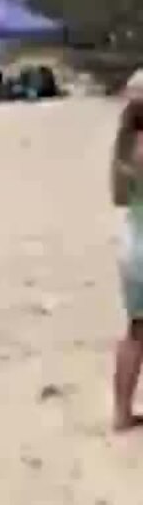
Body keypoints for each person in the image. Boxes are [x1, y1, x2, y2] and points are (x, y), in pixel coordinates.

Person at [110, 72, 143, 429]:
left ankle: (122, 411)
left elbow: (121, 198)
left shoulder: (128, 146)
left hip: (134, 247)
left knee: (136, 331)